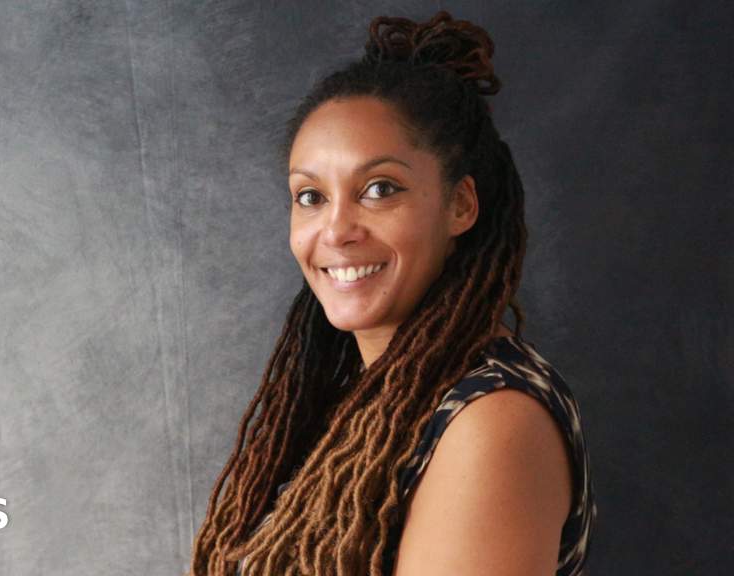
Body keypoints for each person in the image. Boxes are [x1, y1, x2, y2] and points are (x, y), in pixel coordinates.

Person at [188, 12, 595, 576]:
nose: (336, 230)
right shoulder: (366, 396)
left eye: (379, 189)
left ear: (460, 206)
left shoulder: (490, 422)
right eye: (310, 197)